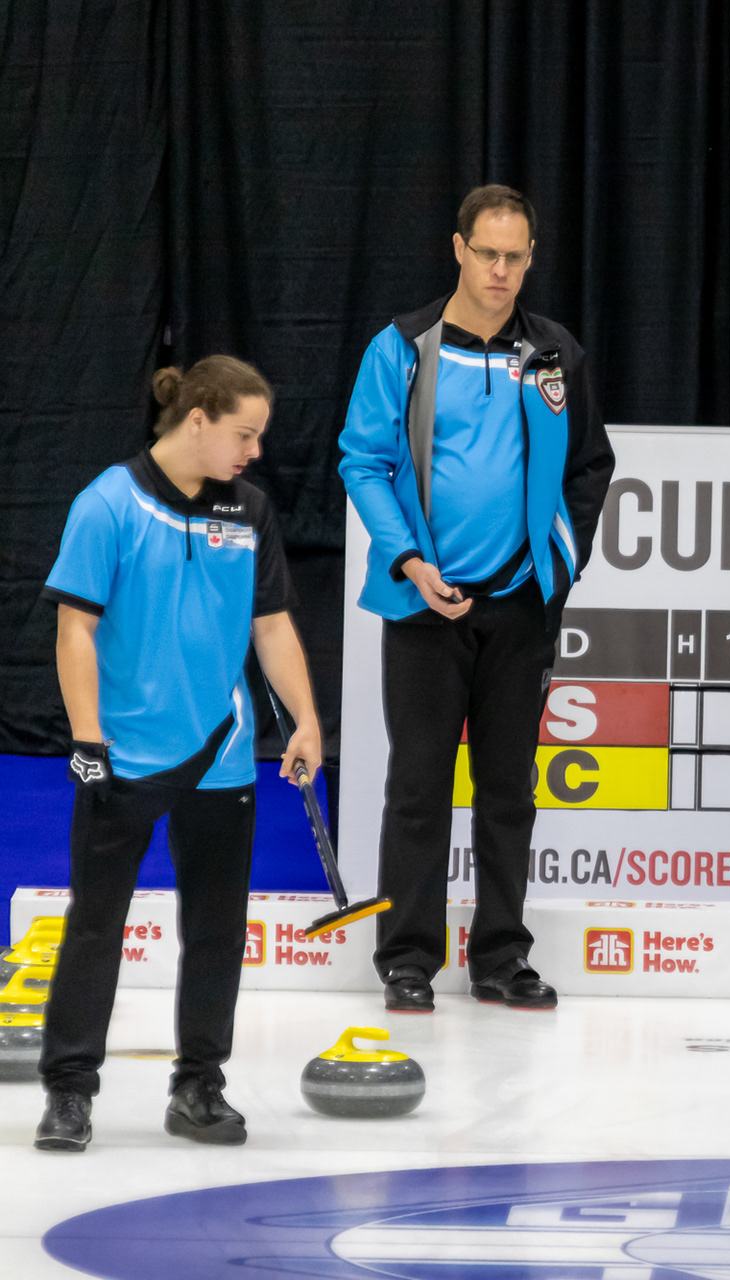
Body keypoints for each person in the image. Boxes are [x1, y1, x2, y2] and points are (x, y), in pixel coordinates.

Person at [35, 357, 321, 1152]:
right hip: (123, 757)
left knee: (218, 931)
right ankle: (69, 1091)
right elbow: (75, 628)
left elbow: (271, 625)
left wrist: (304, 719)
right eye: (244, 434)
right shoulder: (108, 504)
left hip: (222, 755)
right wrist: (87, 739)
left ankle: (199, 1087)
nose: (255, 451)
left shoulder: (249, 510)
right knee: (96, 927)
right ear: (198, 419)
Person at [340, 185, 613, 1013]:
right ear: (457, 249)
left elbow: (589, 466)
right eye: (487, 253)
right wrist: (410, 561)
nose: (500, 270)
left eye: (514, 257)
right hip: (424, 605)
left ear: (531, 259)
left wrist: (557, 565)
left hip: (520, 609)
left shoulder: (554, 353)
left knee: (508, 792)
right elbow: (363, 461)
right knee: (418, 788)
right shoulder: (402, 347)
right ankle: (408, 958)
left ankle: (500, 955)